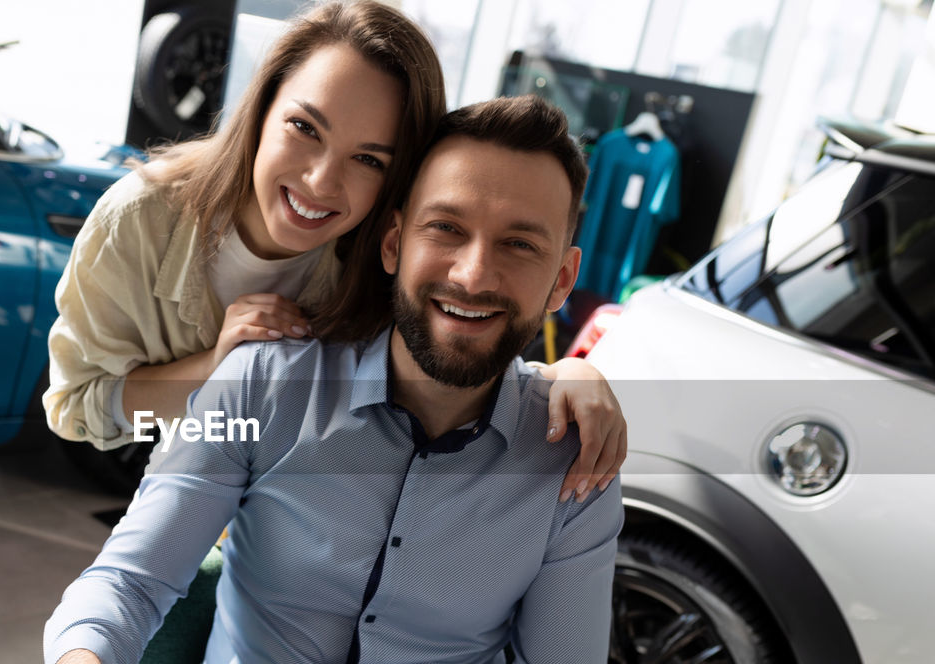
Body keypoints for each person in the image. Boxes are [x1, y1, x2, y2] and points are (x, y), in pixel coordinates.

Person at [26, 94, 622, 664]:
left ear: (562, 279)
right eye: (446, 229)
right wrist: (80, 661)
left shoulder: (576, 454)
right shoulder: (262, 384)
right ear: (394, 242)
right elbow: (133, 575)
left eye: (519, 245)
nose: (474, 273)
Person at [43, 0, 625, 502]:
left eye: (369, 159)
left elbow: (453, 349)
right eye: (305, 128)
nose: (322, 182)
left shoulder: (384, 253)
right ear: (263, 106)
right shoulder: (142, 220)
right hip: (195, 493)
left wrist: (562, 377)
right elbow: (80, 413)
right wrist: (213, 371)